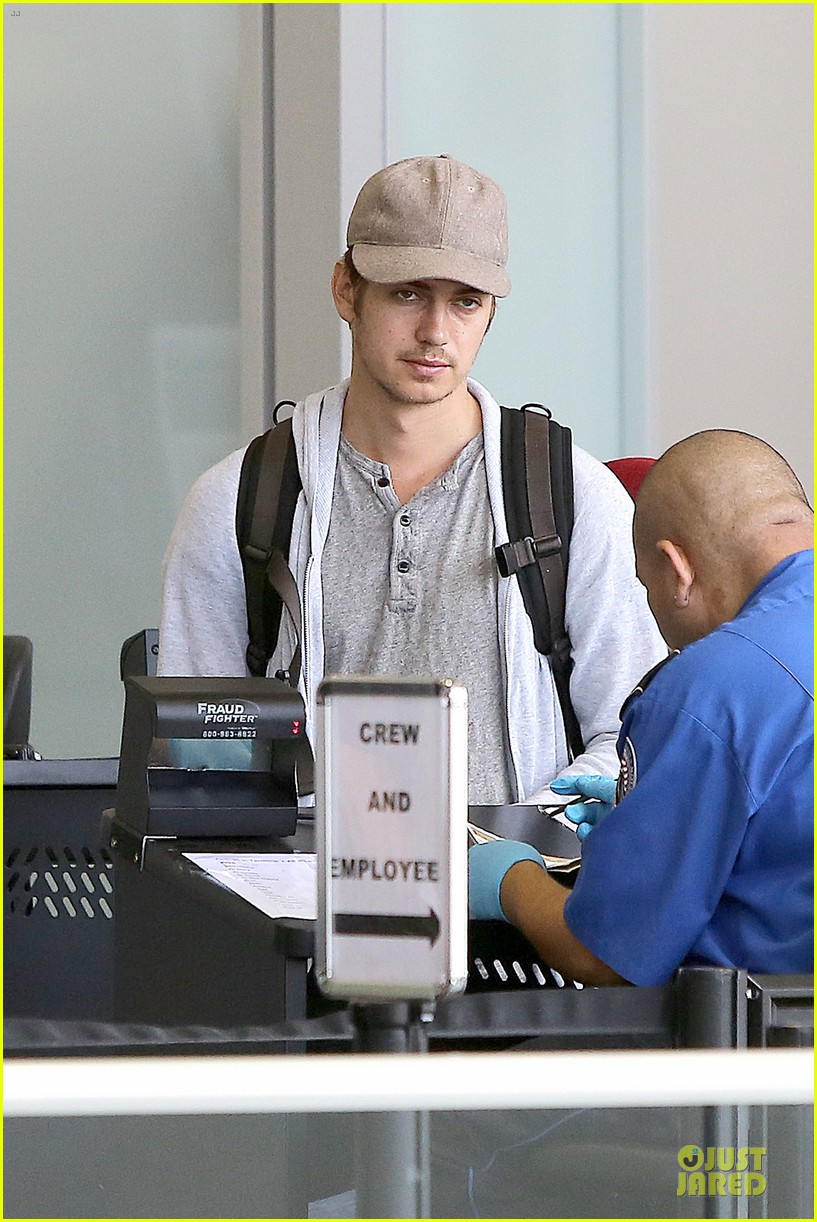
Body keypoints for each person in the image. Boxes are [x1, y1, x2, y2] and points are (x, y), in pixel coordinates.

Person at [158, 154, 666, 803]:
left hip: (516, 888)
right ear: (346, 289)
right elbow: (201, 759)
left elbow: (632, 737)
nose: (435, 331)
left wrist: (515, 852)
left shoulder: (571, 497)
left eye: (465, 301)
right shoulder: (237, 503)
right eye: (406, 292)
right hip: (301, 891)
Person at [469, 428, 814, 981]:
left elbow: (605, 956)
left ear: (676, 570)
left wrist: (508, 880)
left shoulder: (705, 690)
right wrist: (649, 815)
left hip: (767, 1049)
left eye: (644, 587)